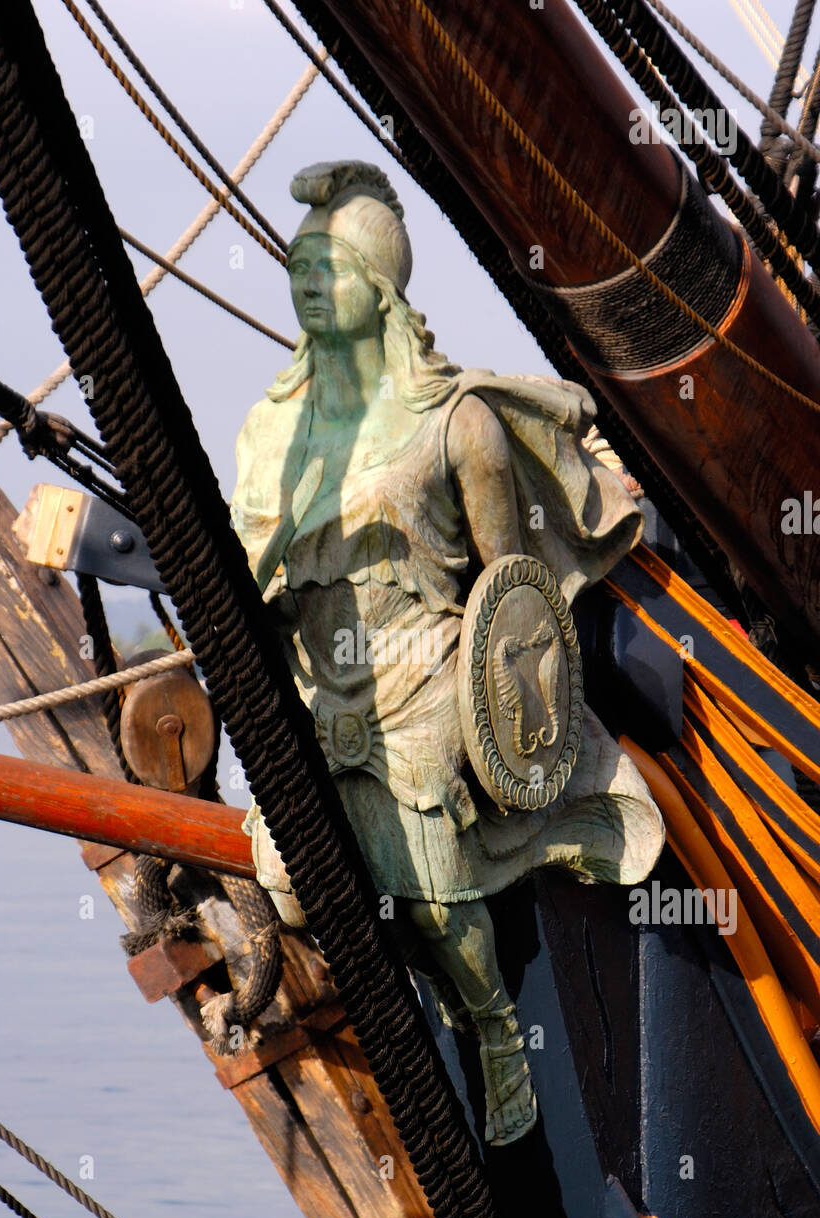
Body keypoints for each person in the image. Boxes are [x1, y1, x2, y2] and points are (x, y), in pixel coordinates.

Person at [231, 161, 663, 1145]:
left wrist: (508, 713)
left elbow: (511, 590)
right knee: (292, 886)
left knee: (427, 884)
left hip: (425, 671)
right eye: (296, 266)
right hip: (318, 683)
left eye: (326, 267)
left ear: (380, 286)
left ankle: (495, 1028)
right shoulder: (269, 431)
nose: (304, 285)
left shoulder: (454, 422)